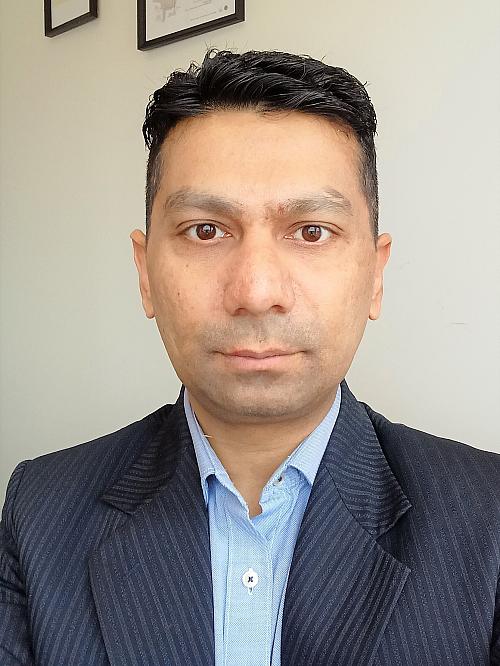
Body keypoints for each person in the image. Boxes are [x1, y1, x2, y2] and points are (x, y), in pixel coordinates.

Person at [1, 47, 499, 666]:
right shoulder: (41, 510)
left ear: (375, 275)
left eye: (311, 231)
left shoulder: (488, 516)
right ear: (145, 273)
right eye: (206, 230)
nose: (257, 291)